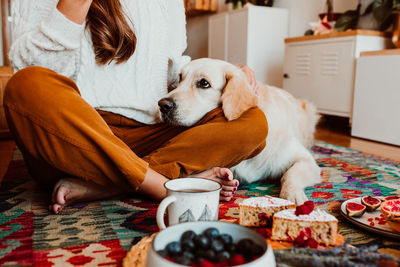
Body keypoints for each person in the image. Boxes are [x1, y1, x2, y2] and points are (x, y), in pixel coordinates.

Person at [3, 0, 268, 214]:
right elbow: (32, 69)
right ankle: (160, 185)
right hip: (79, 138)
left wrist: (230, 74)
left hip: (151, 133)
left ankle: (109, 185)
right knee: (24, 85)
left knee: (253, 122)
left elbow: (175, 69)